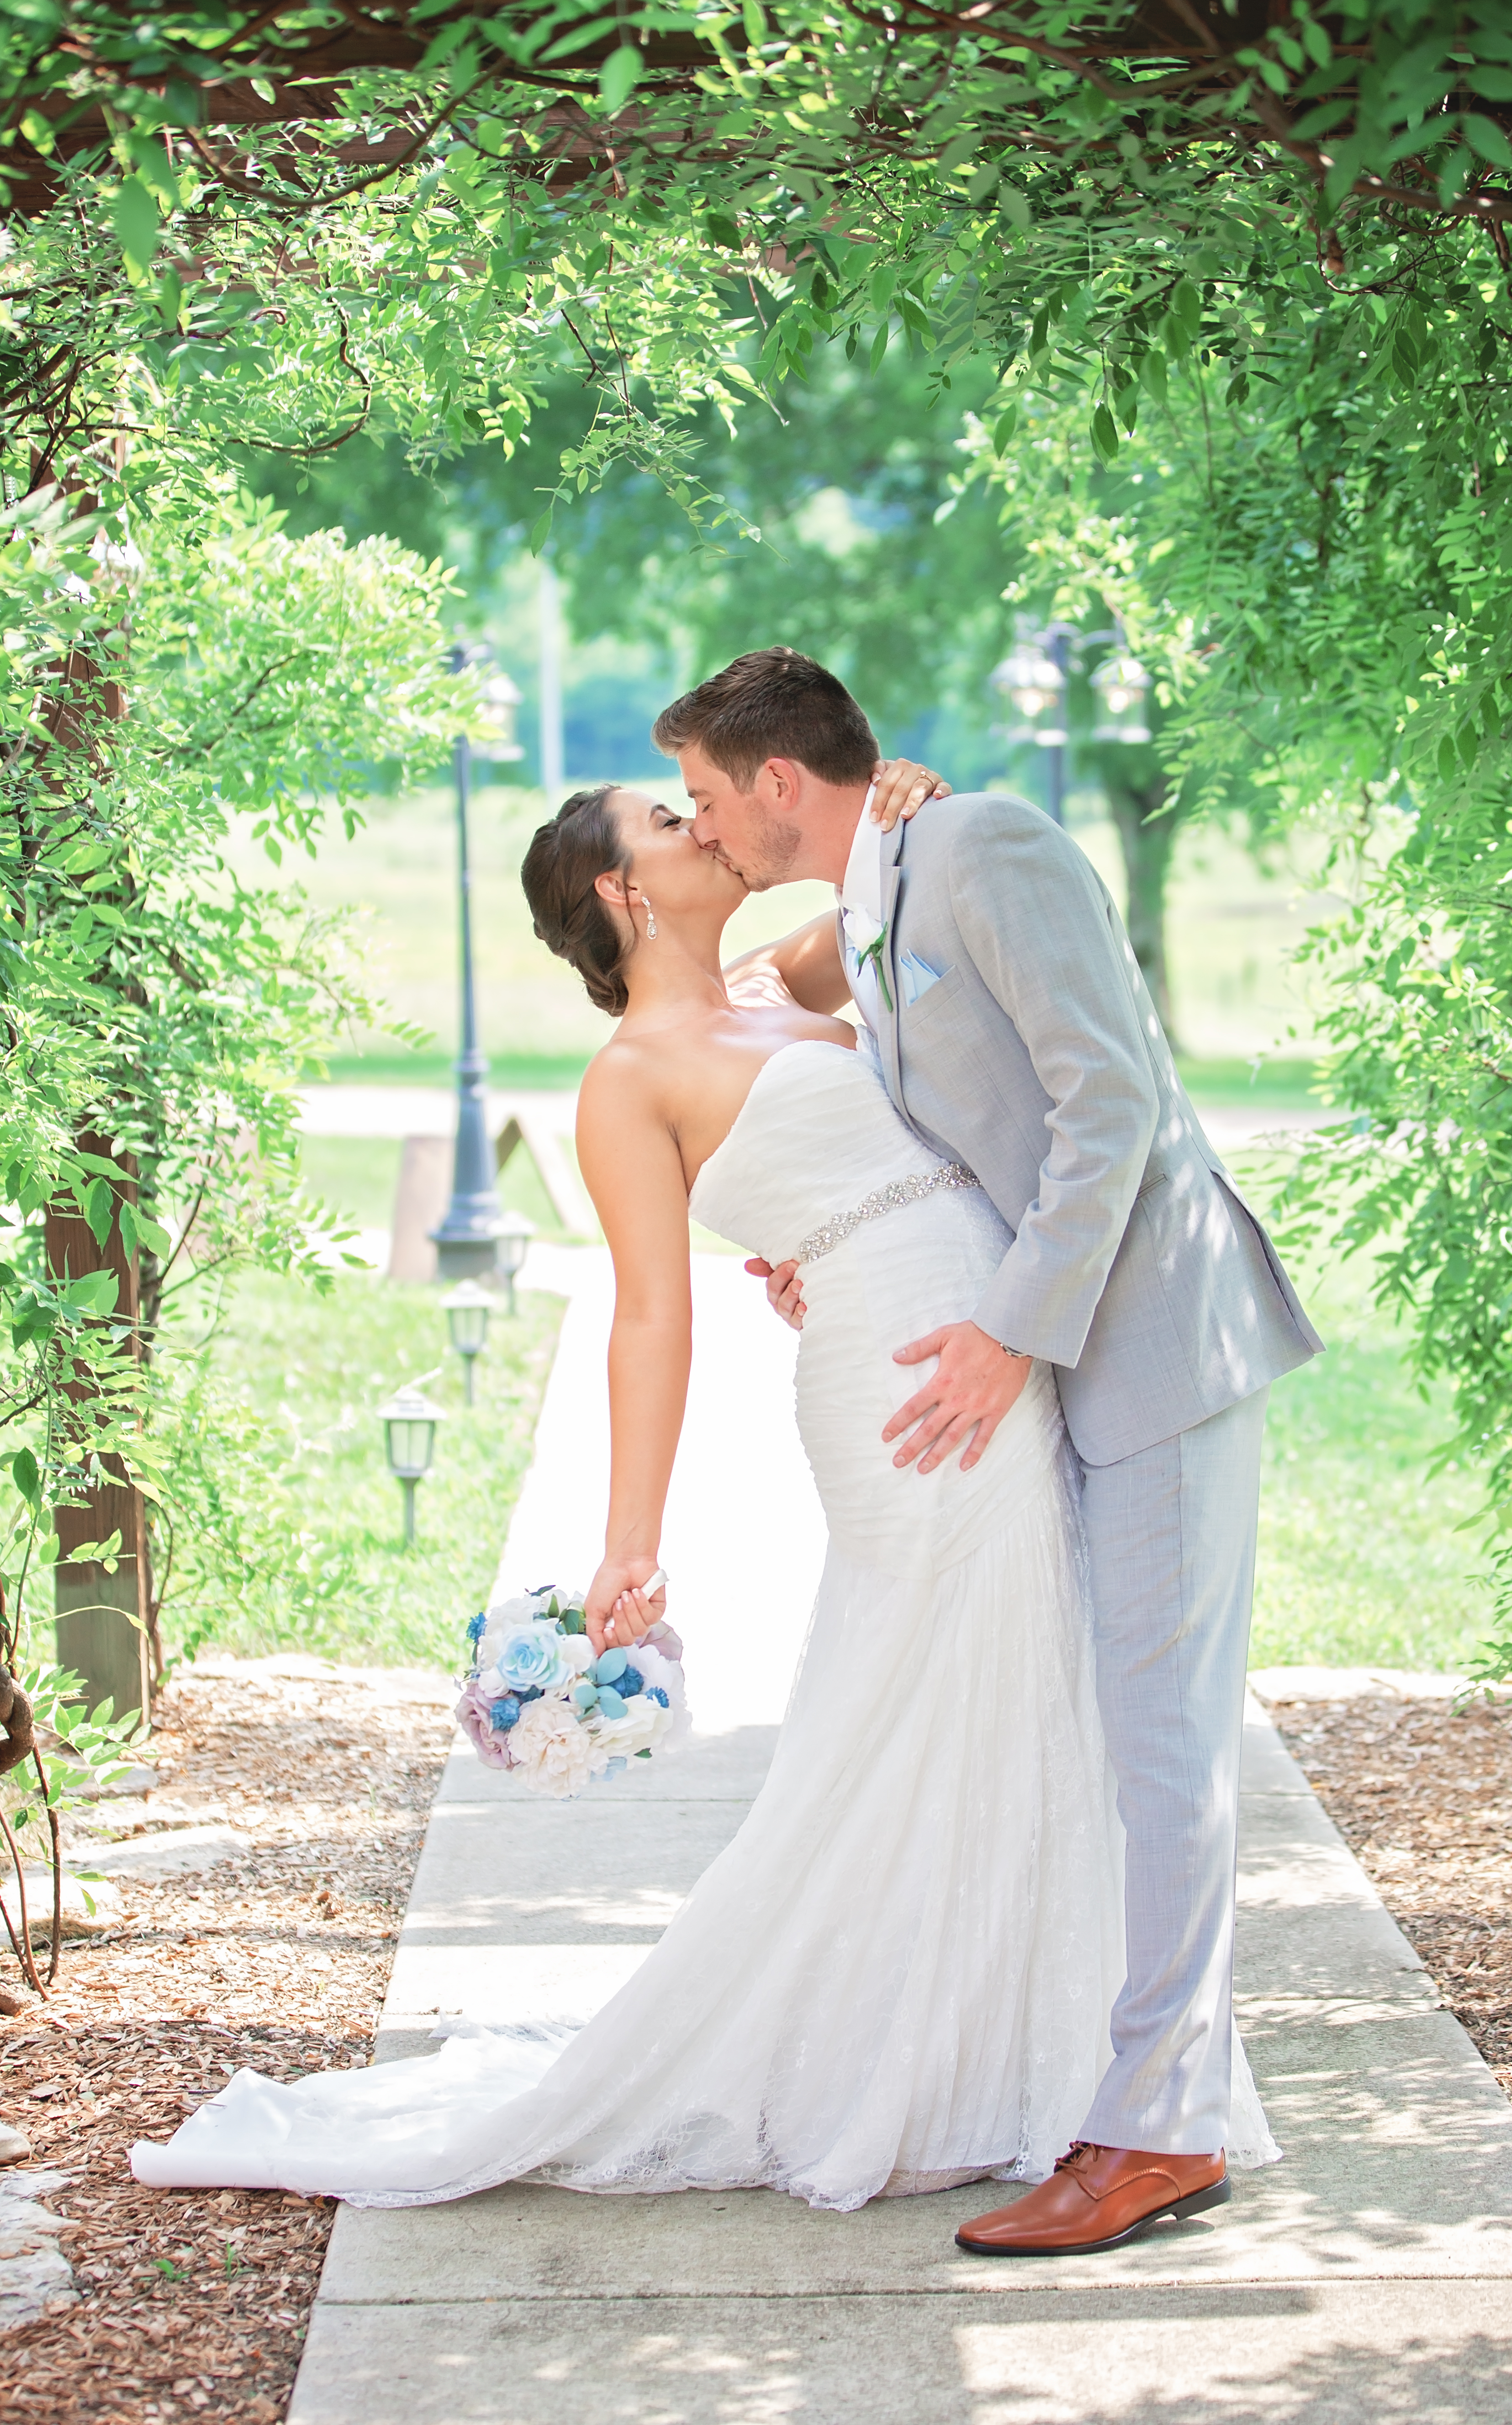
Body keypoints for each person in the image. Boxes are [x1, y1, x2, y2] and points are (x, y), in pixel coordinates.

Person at [129, 725, 1279, 2216]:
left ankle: (1033, 2061)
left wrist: (909, 795)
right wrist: (628, 1542)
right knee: (934, 1700)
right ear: (621, 893)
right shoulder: (631, 1081)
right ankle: (946, 2065)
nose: (705, 824)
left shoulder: (777, 978)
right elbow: (649, 1320)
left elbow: (880, 894)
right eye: (671, 819)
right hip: (903, 1392)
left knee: (1024, 1699)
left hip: (1010, 1344)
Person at [663, 647, 1321, 2255]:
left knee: (1161, 1746)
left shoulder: (989, 847)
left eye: (702, 797)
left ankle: (1156, 2137)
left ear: (775, 783)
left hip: (1153, 1343)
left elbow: (1117, 1105)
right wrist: (831, 1234)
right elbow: (920, 1102)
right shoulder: (886, 876)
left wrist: (1007, 1326)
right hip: (1064, 1362)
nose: (700, 829)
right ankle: (1104, 2090)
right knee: (1111, 1734)